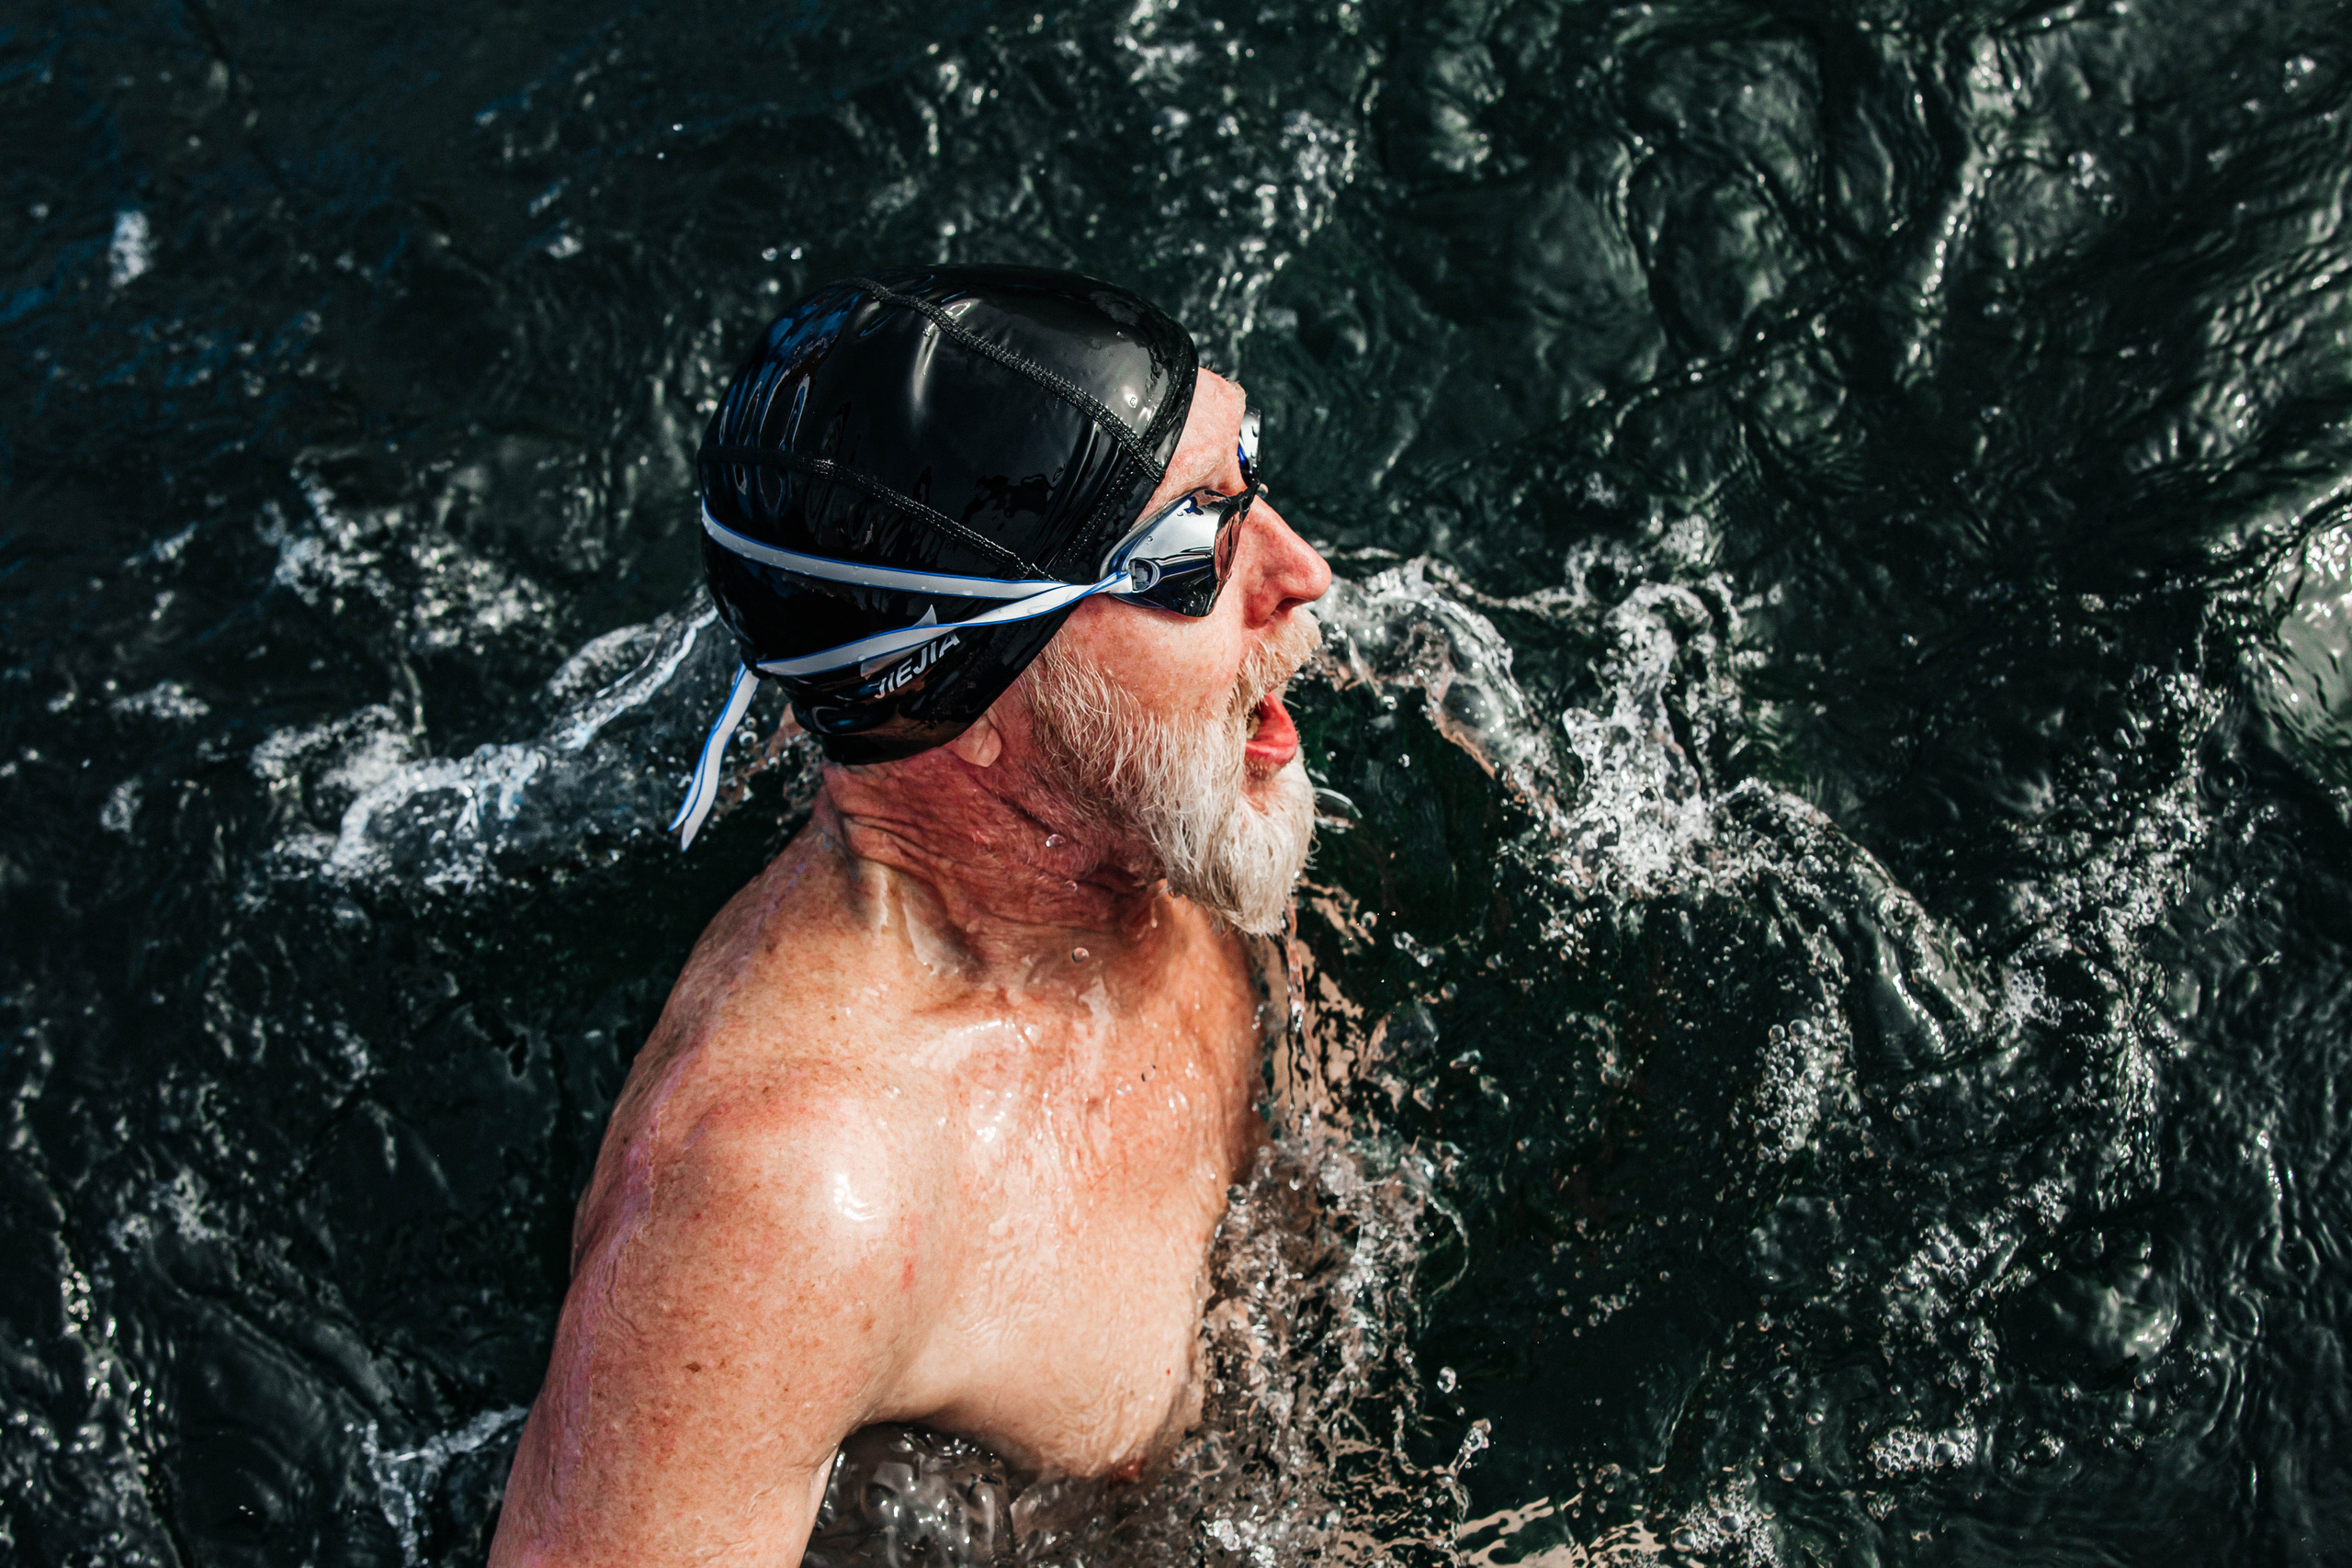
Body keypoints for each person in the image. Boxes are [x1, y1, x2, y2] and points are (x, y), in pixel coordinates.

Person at [489, 266, 1333, 1566]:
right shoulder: (796, 1196)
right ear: (969, 708)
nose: (1301, 571)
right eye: (1185, 559)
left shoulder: (1152, 808)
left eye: (1249, 474)